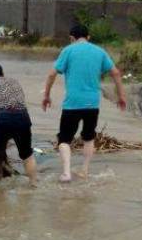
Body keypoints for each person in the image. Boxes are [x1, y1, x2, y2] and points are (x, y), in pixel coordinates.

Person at [42, 23, 127, 182]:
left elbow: (52, 74)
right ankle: (84, 171)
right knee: (88, 138)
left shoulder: (68, 50)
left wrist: (46, 95)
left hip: (72, 104)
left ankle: (66, 173)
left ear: (72, 38)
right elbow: (115, 73)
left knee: (64, 139)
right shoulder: (100, 51)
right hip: (92, 104)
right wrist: (121, 96)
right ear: (88, 37)